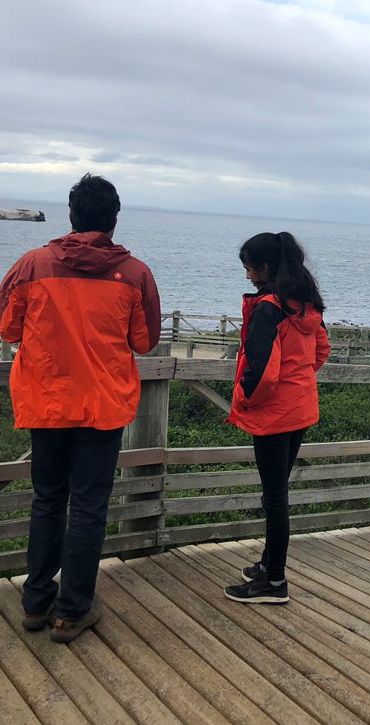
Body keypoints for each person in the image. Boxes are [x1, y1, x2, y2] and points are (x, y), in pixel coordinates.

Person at [0, 173, 160, 642]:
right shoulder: (135, 274)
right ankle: (72, 611)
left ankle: (35, 603)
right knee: (88, 506)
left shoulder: (31, 265)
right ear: (113, 218)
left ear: (71, 216)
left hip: (46, 402)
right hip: (103, 406)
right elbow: (145, 342)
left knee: (47, 499)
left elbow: (8, 330)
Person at [224, 232, 331, 604]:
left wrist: (242, 400)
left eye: (249, 268)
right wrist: (297, 380)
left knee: (274, 498)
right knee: (278, 493)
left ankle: (274, 582)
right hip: (299, 409)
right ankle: (268, 564)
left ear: (266, 267)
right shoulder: (305, 304)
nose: (248, 276)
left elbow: (260, 372)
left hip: (273, 414)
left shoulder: (269, 307)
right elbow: (321, 351)